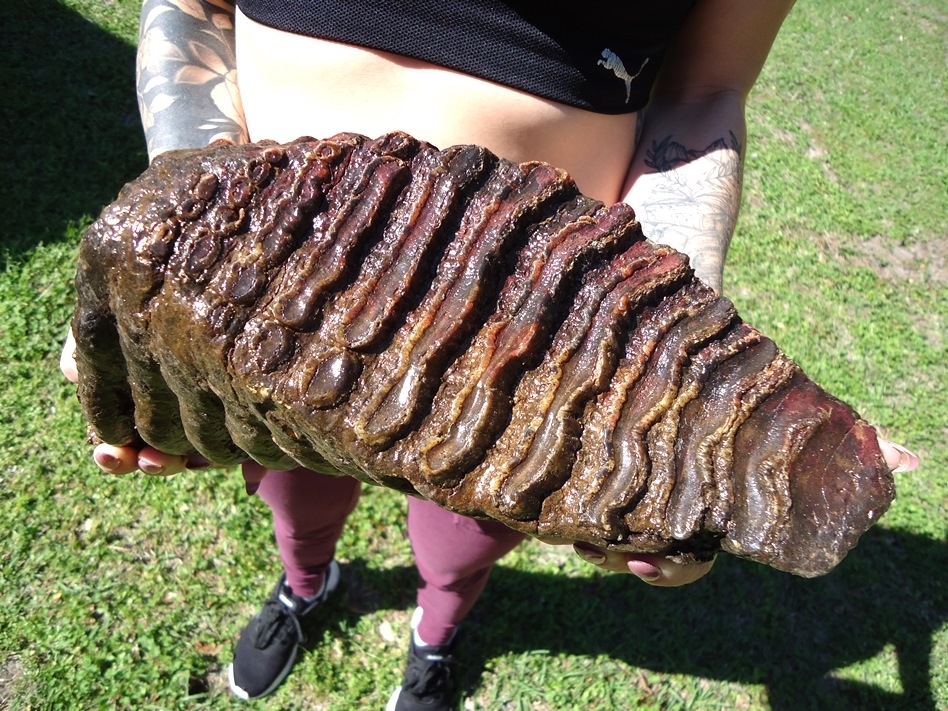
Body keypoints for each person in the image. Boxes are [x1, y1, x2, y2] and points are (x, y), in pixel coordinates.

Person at [60, 1, 920, 708]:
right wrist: (189, 242)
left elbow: (704, 91)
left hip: (536, 357)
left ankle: (435, 631)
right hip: (269, 320)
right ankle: (304, 583)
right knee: (293, 490)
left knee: (465, 539)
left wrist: (663, 350)